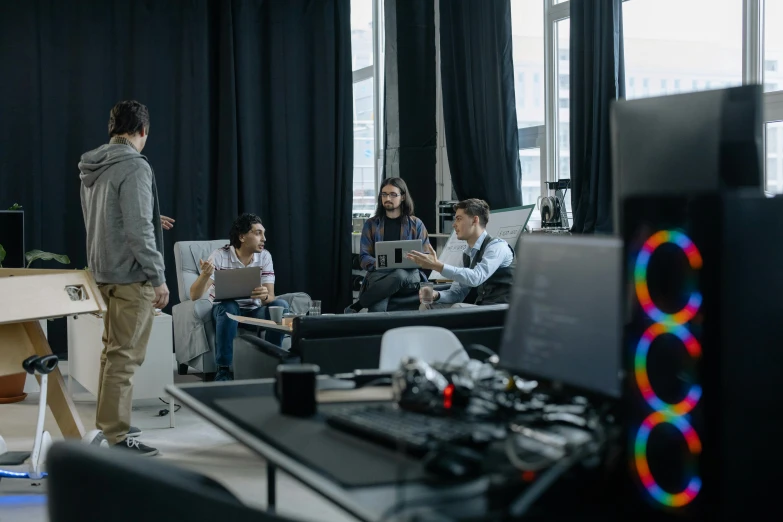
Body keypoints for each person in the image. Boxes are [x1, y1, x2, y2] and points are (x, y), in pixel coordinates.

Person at [79, 100, 168, 456]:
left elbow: (100, 218)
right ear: (143, 131)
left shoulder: (93, 164)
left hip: (102, 271)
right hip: (132, 276)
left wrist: (147, 219)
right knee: (125, 358)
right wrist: (158, 276)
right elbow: (137, 230)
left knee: (112, 355)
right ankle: (117, 437)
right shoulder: (134, 166)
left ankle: (109, 424)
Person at [189, 213, 289, 382]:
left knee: (281, 305)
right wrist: (205, 275)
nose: (263, 238)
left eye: (263, 233)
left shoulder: (264, 256)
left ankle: (272, 363)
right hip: (225, 311)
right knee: (229, 306)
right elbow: (194, 295)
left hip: (254, 311)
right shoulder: (220, 255)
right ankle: (223, 370)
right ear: (242, 236)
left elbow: (271, 296)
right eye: (258, 233)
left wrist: (265, 296)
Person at [407, 199, 514, 309]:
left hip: (502, 309)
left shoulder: (497, 247)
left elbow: (476, 277)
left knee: (457, 308)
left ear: (474, 220)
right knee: (427, 305)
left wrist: (437, 265)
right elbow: (458, 293)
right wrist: (437, 295)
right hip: (482, 307)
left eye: (459, 219)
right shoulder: (467, 255)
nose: (454, 225)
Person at [345, 177, 430, 313]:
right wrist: (381, 264)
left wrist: (413, 260)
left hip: (409, 275)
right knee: (377, 315)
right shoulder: (371, 224)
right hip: (380, 273)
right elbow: (364, 257)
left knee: (400, 274)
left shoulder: (416, 224)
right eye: (384, 194)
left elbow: (427, 255)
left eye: (392, 194)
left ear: (402, 197)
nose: (387, 198)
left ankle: (359, 304)